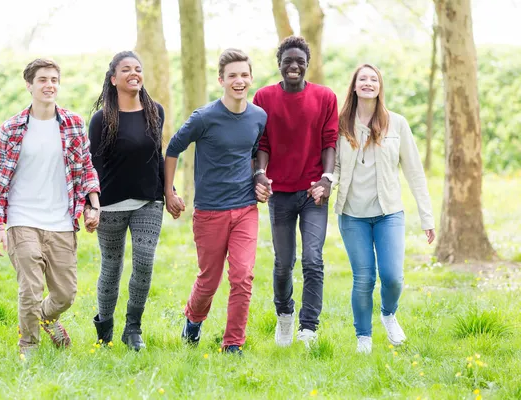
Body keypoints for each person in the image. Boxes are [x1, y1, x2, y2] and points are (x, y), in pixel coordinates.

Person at [0, 58, 100, 355]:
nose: (49, 85)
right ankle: (29, 349)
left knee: (65, 294)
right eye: (42, 80)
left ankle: (47, 318)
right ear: (29, 85)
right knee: (30, 290)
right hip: (22, 217)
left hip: (61, 220)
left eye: (54, 79)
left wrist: (93, 204)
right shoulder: (11, 129)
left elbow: (86, 168)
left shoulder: (73, 124)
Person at [165, 48, 268, 355]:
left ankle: (233, 342)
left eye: (244, 75)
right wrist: (168, 191)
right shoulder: (204, 117)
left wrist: (260, 179)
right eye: (233, 76)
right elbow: (173, 148)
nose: (239, 81)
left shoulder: (258, 116)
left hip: (245, 208)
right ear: (221, 79)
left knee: (242, 276)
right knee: (209, 280)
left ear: (251, 78)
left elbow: (254, 153)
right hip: (210, 212)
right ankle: (193, 321)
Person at [331, 63, 435, 354]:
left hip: (389, 214)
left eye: (373, 79)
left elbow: (414, 172)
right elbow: (335, 167)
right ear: (354, 86)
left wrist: (427, 217)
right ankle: (363, 337)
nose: (368, 83)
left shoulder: (397, 123)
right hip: (353, 215)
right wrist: (324, 186)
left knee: (392, 277)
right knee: (363, 278)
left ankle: (388, 314)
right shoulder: (340, 124)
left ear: (380, 87)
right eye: (362, 78)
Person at [252, 36, 338, 347]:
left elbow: (330, 141)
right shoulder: (263, 97)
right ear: (279, 64)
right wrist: (260, 175)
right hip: (281, 193)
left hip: (314, 191)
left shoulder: (325, 97)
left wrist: (327, 179)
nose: (293, 66)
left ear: (307, 64)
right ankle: (285, 316)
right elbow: (261, 143)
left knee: (313, 259)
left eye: (299, 61)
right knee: (283, 262)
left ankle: (309, 328)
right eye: (288, 60)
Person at [88, 51, 166, 352]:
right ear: (113, 78)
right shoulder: (101, 118)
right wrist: (91, 204)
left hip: (148, 200)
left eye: (138, 68)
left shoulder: (154, 111)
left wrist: (168, 192)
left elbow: (158, 155)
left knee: (144, 262)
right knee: (111, 266)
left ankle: (133, 328)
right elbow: (90, 164)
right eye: (126, 69)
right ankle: (104, 329)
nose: (134, 73)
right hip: (109, 204)